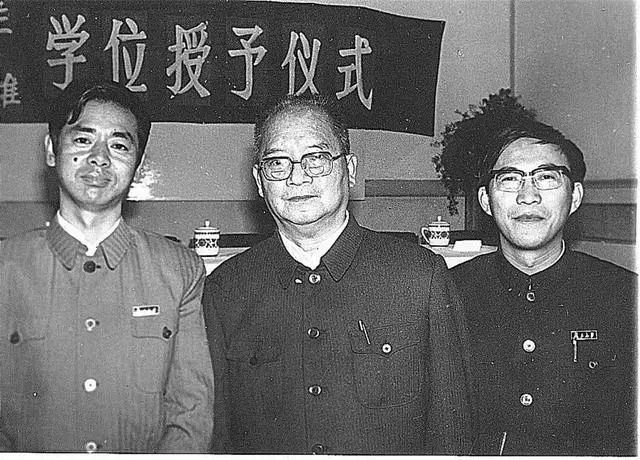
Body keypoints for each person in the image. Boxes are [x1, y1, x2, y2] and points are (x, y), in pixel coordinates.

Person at [202, 95, 472, 454]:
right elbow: (217, 438)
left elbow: (453, 433)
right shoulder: (226, 289)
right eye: (277, 163)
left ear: (351, 169)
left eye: (316, 158)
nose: (298, 177)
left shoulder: (419, 278)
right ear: (259, 180)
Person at [0, 80, 214, 453]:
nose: (99, 157)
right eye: (83, 140)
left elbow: (190, 416)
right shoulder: (7, 267)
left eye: (118, 145)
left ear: (138, 165)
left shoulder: (179, 270)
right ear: (51, 150)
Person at [452, 118, 636, 455]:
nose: (528, 196)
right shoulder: (448, 294)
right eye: (510, 178)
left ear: (575, 197)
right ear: (486, 200)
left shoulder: (625, 297)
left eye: (546, 177)